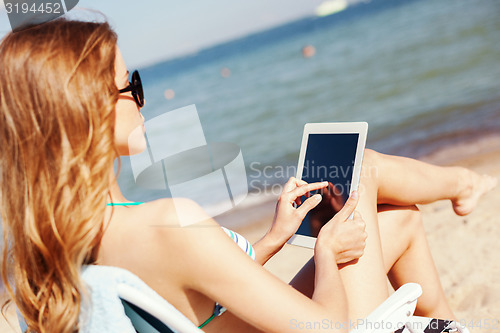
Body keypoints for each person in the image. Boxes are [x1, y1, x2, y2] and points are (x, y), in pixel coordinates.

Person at [0, 19, 496, 333]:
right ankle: (462, 186)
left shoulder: (36, 259)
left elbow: (186, 297)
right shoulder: (169, 225)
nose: (140, 98)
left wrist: (276, 238)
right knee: (360, 172)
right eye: (131, 86)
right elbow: (326, 327)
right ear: (90, 109)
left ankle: (450, 315)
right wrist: (323, 251)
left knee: (400, 223)